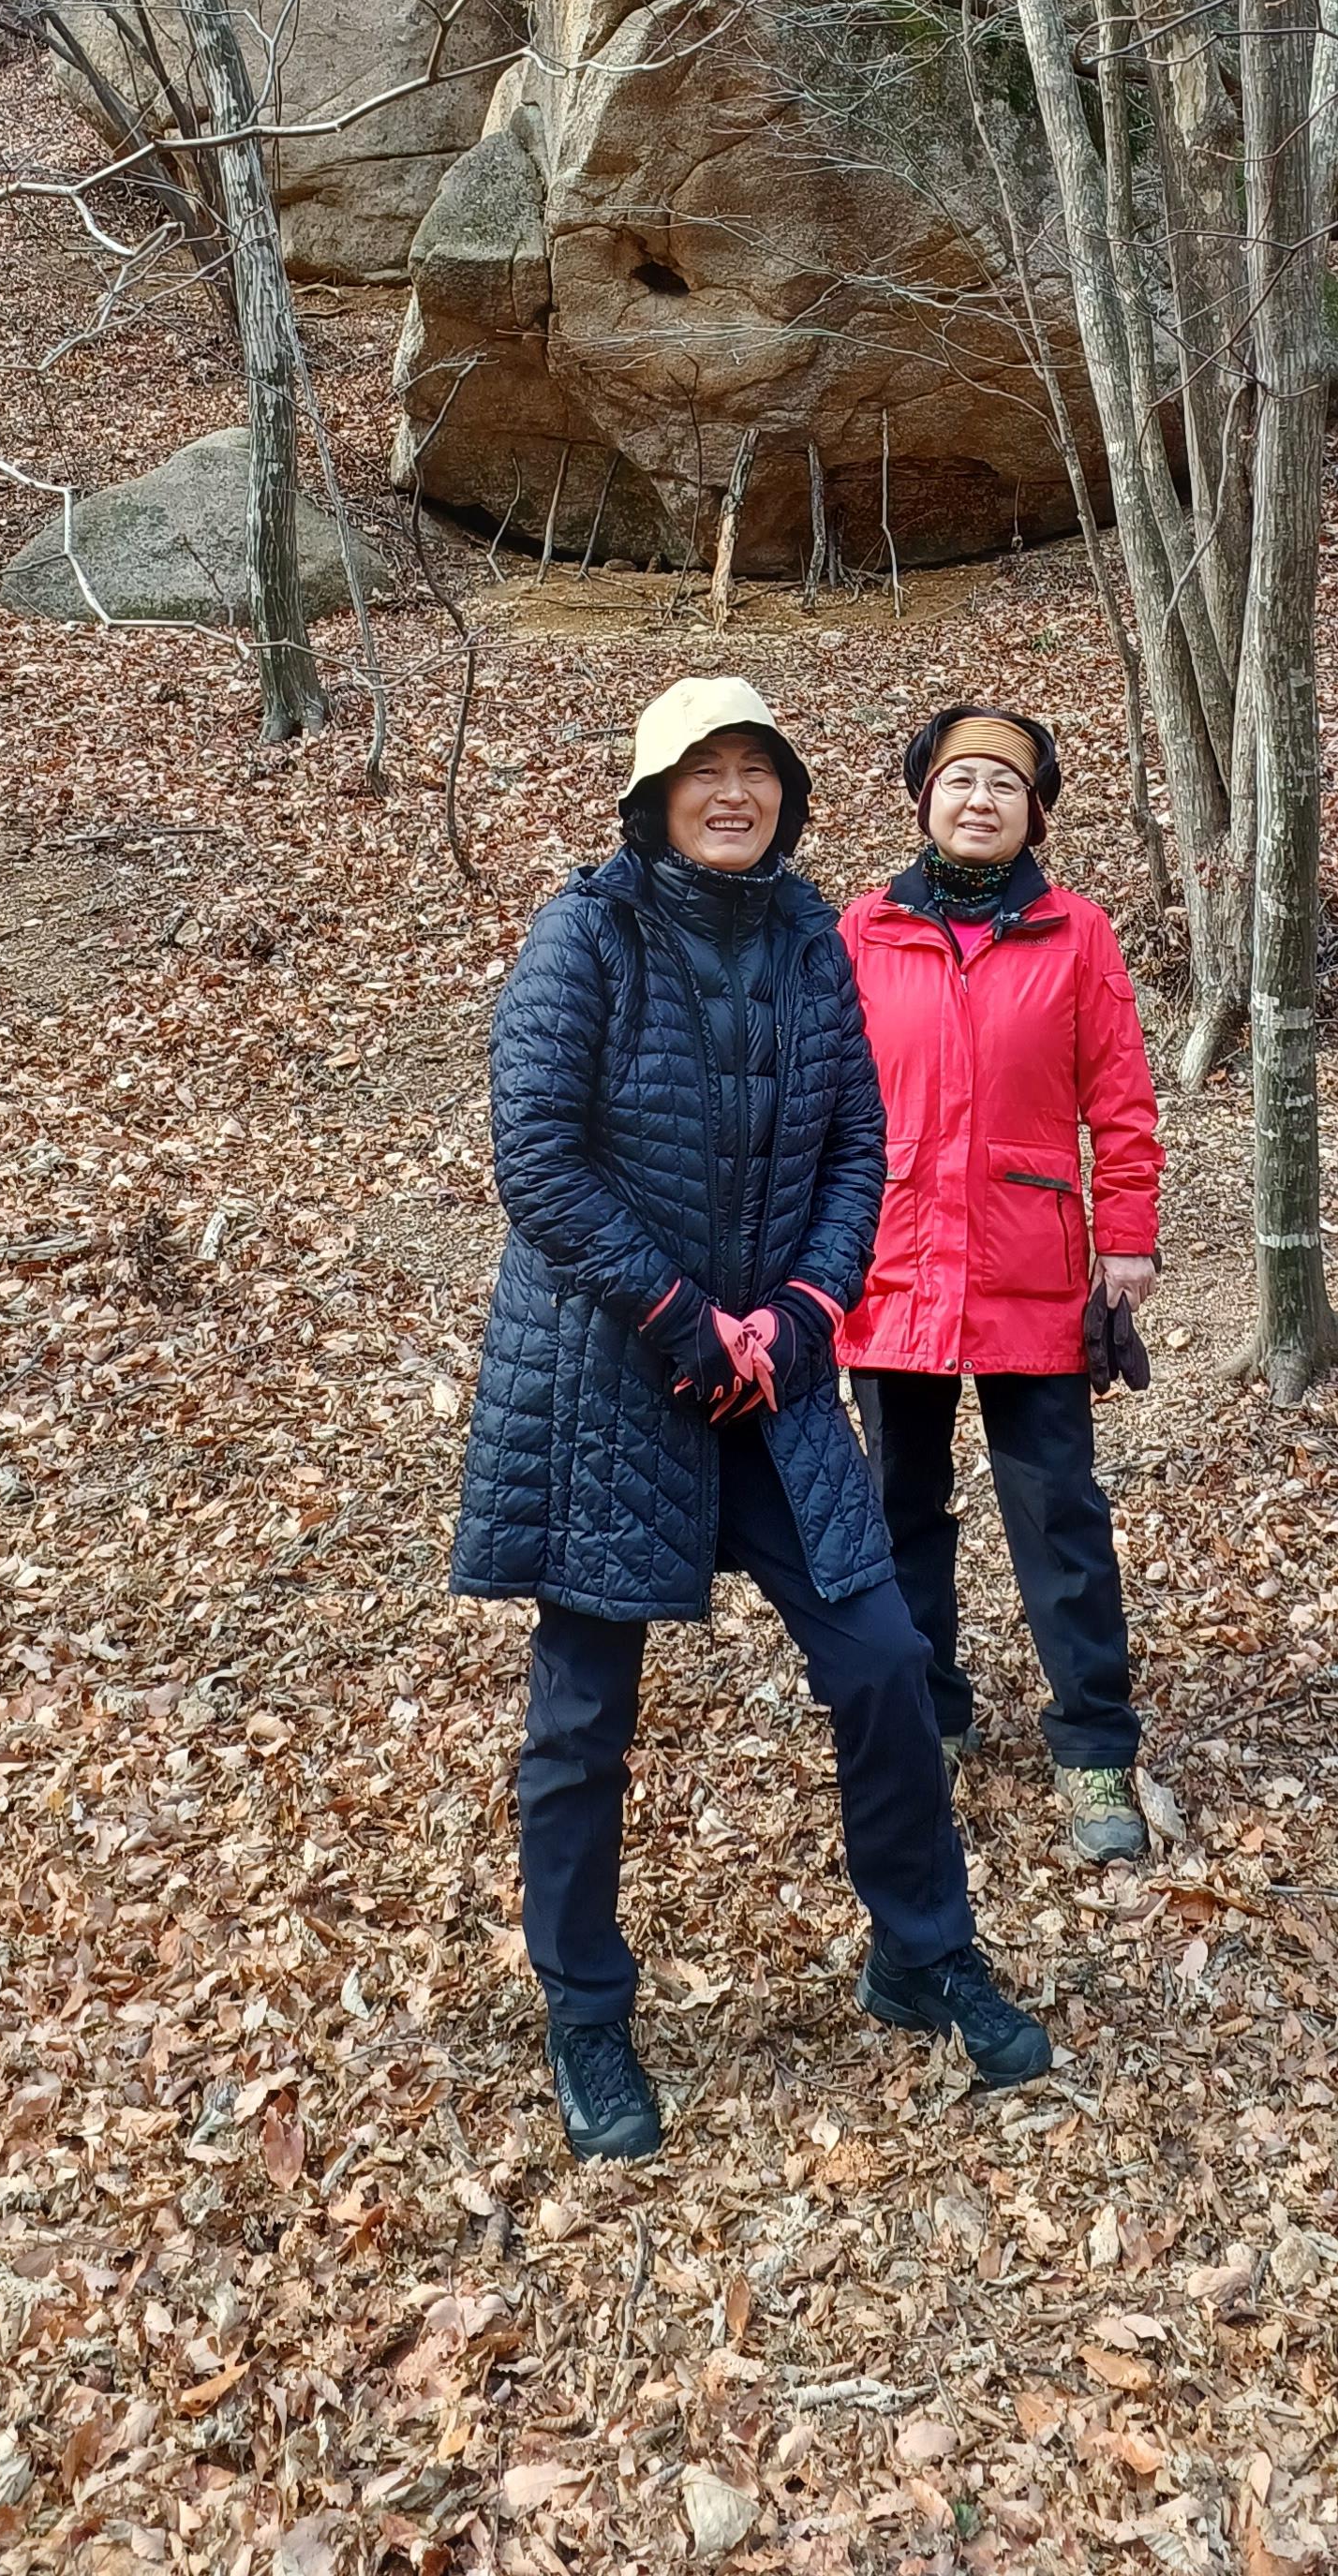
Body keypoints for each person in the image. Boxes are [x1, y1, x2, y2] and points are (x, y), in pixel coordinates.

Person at [453, 674, 1052, 2162]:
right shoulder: (586, 934)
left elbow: (859, 1143)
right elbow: (538, 1157)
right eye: (704, 769)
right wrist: (679, 1315)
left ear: (786, 792)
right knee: (584, 1715)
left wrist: (797, 1314)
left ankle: (921, 1950)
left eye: (756, 769)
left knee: (883, 1657)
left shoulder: (805, 937)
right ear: (654, 792)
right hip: (611, 1376)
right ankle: (586, 2011)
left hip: (770, 1379)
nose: (733, 792)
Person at [839, 707, 1165, 1867]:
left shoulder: (1078, 933)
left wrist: (1128, 1237)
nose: (980, 800)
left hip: (1033, 1263)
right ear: (922, 796)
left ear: (1037, 811)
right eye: (960, 780)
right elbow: (818, 1104)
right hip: (892, 1264)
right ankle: (926, 1717)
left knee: (1058, 1512)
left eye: (1005, 785)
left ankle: (1094, 1747)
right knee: (898, 1508)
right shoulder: (863, 930)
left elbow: (1121, 1100)